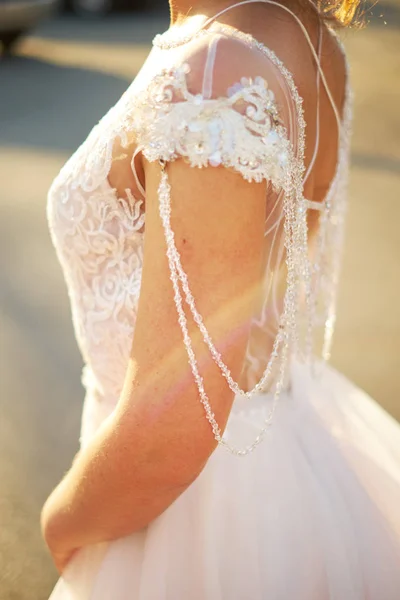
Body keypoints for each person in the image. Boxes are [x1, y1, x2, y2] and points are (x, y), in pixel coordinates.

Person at [42, 0, 400, 598]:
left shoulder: (217, 73)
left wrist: (61, 524)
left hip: (187, 511)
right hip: (286, 454)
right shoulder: (308, 39)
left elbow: (172, 429)